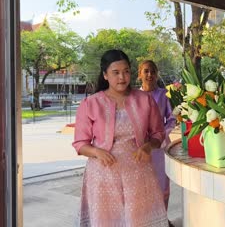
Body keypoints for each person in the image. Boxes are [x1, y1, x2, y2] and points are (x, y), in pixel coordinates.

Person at [73, 49, 169, 227]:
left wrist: (148, 146)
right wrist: (96, 152)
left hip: (138, 173)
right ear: (105, 75)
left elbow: (158, 133)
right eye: (115, 73)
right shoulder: (90, 103)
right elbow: (80, 143)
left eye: (126, 71)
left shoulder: (145, 100)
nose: (122, 77)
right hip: (103, 174)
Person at [138, 61, 176, 211]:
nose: (150, 75)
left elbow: (172, 119)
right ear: (139, 74)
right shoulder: (134, 96)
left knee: (162, 184)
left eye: (153, 71)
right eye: (146, 71)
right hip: (140, 147)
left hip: (160, 148)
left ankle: (162, 219)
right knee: (142, 185)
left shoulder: (164, 95)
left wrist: (161, 136)